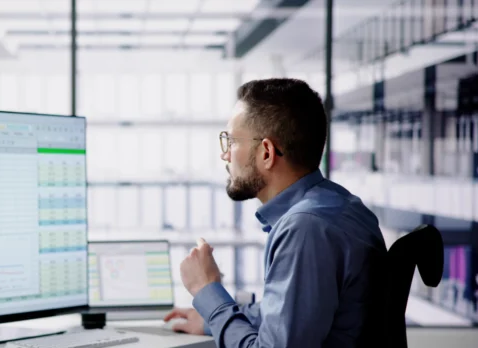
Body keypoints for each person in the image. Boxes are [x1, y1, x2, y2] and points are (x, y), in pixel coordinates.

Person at [164, 78, 388, 348]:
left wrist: (206, 289)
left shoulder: (305, 228)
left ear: (267, 152)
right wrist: (213, 319)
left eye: (232, 142)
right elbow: (286, 314)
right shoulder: (340, 205)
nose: (225, 156)